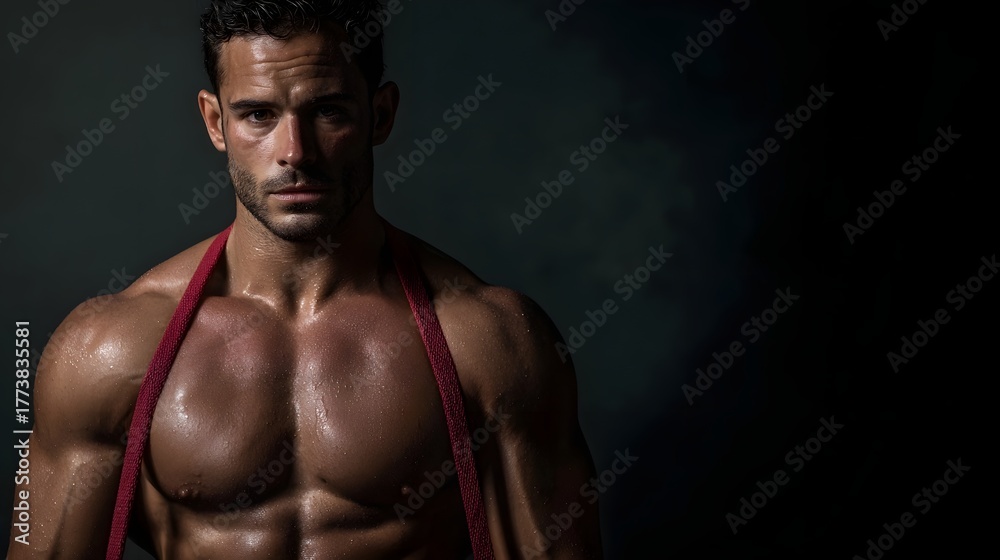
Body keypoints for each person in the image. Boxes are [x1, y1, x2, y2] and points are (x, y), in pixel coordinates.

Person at [7, 1, 602, 558]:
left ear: (380, 114)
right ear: (215, 121)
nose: (295, 151)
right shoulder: (108, 348)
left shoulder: (489, 341)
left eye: (328, 111)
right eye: (258, 114)